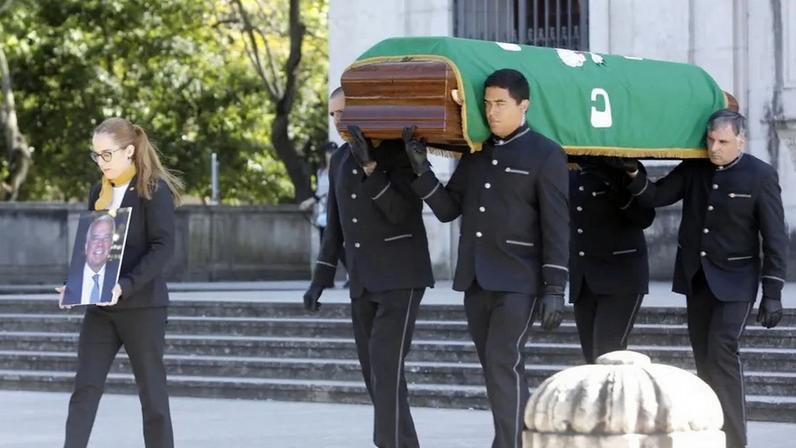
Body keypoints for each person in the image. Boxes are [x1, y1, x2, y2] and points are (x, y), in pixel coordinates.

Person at [405, 68, 569, 448]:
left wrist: (555, 288)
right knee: (498, 368)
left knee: (501, 361)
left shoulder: (546, 154)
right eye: (487, 104)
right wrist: (421, 169)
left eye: (500, 104)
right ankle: (515, 440)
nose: (491, 112)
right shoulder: (476, 154)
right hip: (476, 280)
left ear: (523, 105)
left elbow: (557, 225)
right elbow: (447, 210)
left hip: (520, 281)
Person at [623, 109, 786, 448]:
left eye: (723, 142)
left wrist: (773, 292)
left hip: (738, 280)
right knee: (703, 358)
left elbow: (774, 239)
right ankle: (713, 433)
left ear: (740, 140)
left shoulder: (761, 175)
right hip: (696, 278)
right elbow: (656, 196)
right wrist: (630, 171)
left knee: (722, 350)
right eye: (710, 140)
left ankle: (735, 441)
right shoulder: (695, 168)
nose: (714, 148)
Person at [302, 92, 434, 446]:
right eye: (332, 114)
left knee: (385, 370)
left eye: (344, 112)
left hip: (401, 277)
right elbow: (336, 224)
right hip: (362, 279)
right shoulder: (340, 158)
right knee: (374, 374)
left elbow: (401, 213)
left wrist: (371, 168)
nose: (338, 121)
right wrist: (321, 278)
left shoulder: (396, 150)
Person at [57, 117, 183, 448]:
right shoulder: (98, 192)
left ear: (129, 151)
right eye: (96, 155)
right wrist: (76, 286)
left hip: (142, 307)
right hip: (100, 309)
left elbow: (163, 247)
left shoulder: (153, 189)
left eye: (107, 154)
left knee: (153, 397)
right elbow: (92, 248)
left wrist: (124, 285)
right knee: (84, 390)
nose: (101, 162)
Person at [568, 156, 655, 363]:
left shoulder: (622, 165)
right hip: (584, 278)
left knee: (608, 354)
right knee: (591, 359)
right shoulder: (568, 167)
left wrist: (618, 182)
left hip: (621, 276)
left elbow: (645, 217)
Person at [63, 214, 118, 305]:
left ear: (111, 245)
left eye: (106, 238)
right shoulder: (73, 281)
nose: (100, 244)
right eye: (95, 238)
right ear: (86, 246)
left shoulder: (118, 282)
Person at [300, 142, 338, 243]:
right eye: (329, 152)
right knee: (324, 246)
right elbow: (320, 193)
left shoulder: (340, 172)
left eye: (334, 152)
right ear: (325, 154)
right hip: (324, 213)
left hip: (337, 212)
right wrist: (308, 202)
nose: (332, 154)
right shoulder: (321, 172)